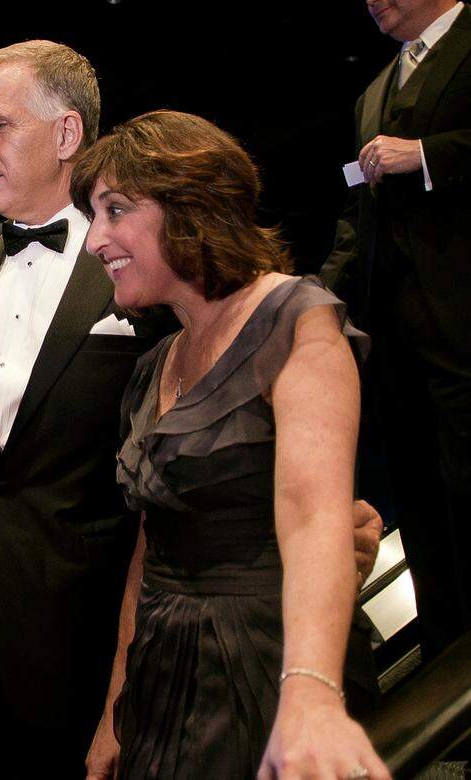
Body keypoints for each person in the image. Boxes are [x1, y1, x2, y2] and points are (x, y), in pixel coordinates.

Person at [0, 40, 385, 778]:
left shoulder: (213, 292)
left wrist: (333, 524)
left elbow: (279, 444)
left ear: (66, 133)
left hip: (110, 635)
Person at [72, 110, 386, 778]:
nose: (95, 239)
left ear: (192, 206)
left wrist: (312, 693)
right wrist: (113, 713)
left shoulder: (296, 319)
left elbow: (315, 516)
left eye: (115, 210)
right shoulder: (153, 366)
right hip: (161, 675)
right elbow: (149, 555)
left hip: (270, 665)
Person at [321, 0, 471, 660]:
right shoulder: (373, 92)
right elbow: (358, 215)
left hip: (464, 325)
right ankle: (447, 661)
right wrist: (318, 299)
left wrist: (431, 155)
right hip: (399, 344)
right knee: (422, 501)